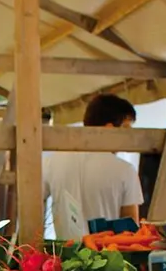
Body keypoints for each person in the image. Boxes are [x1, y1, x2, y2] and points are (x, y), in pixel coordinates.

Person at [42, 94, 144, 241]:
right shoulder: (125, 170)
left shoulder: (52, 162)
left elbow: (34, 210)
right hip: (108, 258)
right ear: (109, 129)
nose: (129, 137)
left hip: (64, 257)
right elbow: (131, 230)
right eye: (126, 129)